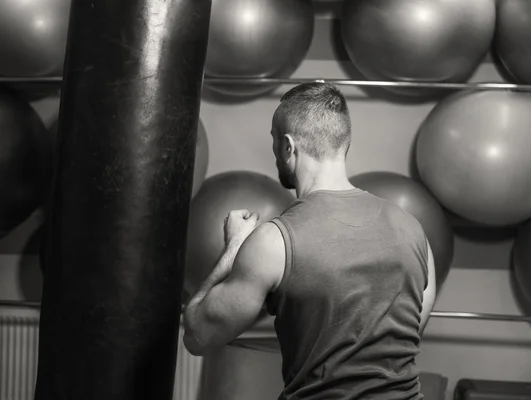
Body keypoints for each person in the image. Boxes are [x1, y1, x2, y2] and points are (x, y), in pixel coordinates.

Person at [183, 82, 436, 400]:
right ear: (343, 144)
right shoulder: (413, 230)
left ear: (288, 147)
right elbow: (409, 332)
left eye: (274, 141)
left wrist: (235, 246)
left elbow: (198, 336)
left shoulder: (273, 242)